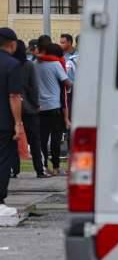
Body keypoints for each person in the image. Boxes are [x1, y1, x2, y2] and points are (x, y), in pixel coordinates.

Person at [36, 43, 71, 175]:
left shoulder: (35, 65)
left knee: (43, 139)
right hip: (55, 106)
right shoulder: (56, 64)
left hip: (40, 107)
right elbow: (67, 82)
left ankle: (44, 166)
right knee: (56, 138)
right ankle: (56, 167)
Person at [0, 28, 24, 218]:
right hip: (3, 121)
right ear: (12, 43)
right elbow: (14, 96)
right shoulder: (12, 65)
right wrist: (18, 122)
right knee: (3, 160)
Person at [14, 41, 46, 179]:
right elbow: (34, 87)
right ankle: (39, 169)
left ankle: (13, 169)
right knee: (34, 140)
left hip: (11, 107)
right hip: (28, 107)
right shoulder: (28, 65)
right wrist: (36, 103)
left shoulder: (9, 65)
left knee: (11, 140)